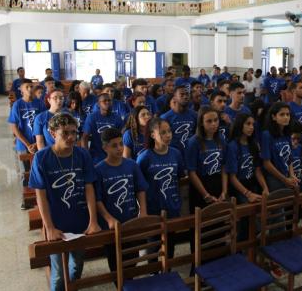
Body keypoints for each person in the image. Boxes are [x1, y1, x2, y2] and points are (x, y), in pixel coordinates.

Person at [29, 113, 101, 291]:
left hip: (80, 220)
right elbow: (41, 196)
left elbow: (89, 188)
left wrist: (93, 220)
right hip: (57, 223)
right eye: (65, 133)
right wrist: (49, 227)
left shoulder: (82, 155)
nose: (71, 137)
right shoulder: (42, 158)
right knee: (59, 273)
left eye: (74, 133)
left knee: (76, 266)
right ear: (53, 134)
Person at [95, 128, 148, 273]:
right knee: (115, 263)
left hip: (131, 220)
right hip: (111, 225)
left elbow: (140, 189)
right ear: (105, 147)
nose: (119, 148)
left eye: (120, 144)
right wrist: (109, 219)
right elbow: (97, 200)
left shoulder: (131, 165)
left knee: (132, 258)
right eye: (114, 145)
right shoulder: (99, 170)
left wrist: (143, 211)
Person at [137, 118, 185, 259]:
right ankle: (153, 274)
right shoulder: (144, 157)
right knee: (153, 246)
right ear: (152, 135)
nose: (168, 135)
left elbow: (179, 177)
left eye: (169, 131)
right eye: (163, 132)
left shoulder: (176, 153)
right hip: (153, 208)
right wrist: (143, 210)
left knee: (170, 245)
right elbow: (139, 186)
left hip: (171, 206)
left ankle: (168, 272)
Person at [226, 113, 269, 241]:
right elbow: (232, 177)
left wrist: (265, 187)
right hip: (239, 187)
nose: (251, 127)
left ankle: (253, 249)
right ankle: (241, 250)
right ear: (240, 125)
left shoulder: (253, 144)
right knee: (246, 221)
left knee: (260, 216)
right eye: (248, 124)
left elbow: (257, 170)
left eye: (252, 124)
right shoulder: (232, 146)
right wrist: (247, 193)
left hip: (251, 183)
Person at [8, 78, 46, 208]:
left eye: (31, 86)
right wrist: (27, 144)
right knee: (26, 172)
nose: (30, 89)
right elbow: (14, 127)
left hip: (39, 143)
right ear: (21, 90)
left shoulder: (39, 103)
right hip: (23, 145)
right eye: (27, 87)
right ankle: (27, 200)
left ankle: (41, 199)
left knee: (40, 170)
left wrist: (36, 143)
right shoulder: (17, 105)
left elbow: (44, 124)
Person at [186, 106, 227, 211]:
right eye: (209, 121)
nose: (213, 124)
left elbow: (223, 166)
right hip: (201, 186)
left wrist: (224, 191)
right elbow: (191, 172)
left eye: (216, 120)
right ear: (201, 123)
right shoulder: (194, 142)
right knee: (202, 224)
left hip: (217, 182)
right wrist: (205, 195)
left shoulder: (221, 139)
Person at [261, 102, 299, 192]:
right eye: (282, 114)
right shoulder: (267, 135)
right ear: (274, 117)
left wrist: (292, 175)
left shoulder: (287, 134)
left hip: (287, 176)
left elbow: (289, 158)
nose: (286, 117)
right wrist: (284, 179)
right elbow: (266, 164)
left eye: (287, 114)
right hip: (274, 178)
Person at [82, 93, 124, 163]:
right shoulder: (92, 117)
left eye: (109, 100)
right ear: (98, 104)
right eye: (104, 101)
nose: (107, 102)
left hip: (113, 156)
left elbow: (122, 137)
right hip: (96, 157)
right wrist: (86, 156)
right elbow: (84, 137)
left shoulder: (117, 118)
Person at [160, 86, 197, 158]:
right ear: (175, 97)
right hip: (173, 156)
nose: (185, 97)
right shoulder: (165, 117)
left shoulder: (194, 115)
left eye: (187, 94)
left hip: (191, 154)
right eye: (182, 94)